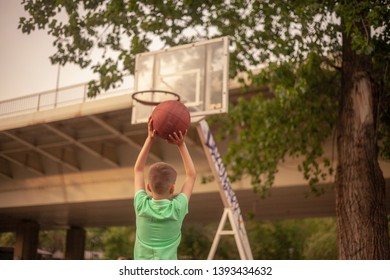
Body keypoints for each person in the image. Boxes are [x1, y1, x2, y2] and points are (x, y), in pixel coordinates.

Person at [133, 117, 196, 260]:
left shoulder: (141, 205)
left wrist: (149, 139)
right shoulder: (177, 208)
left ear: (148, 187)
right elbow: (191, 175)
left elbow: (138, 170)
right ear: (172, 188)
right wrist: (181, 144)